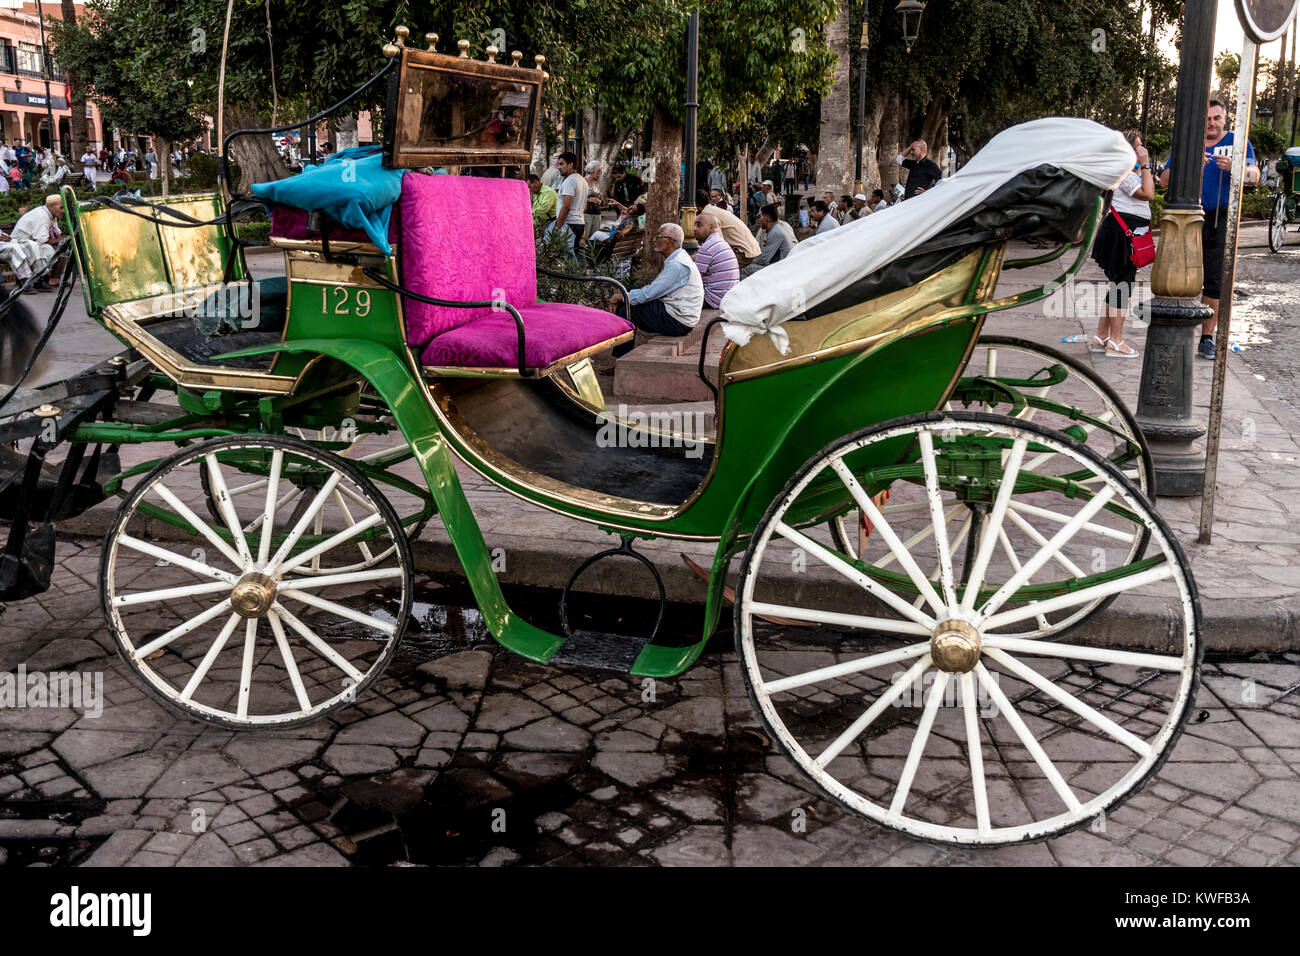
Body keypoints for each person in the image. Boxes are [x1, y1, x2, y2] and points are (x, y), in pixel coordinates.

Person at [1158, 99, 1259, 359]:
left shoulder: (1238, 142)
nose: (1212, 123)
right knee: (1179, 277)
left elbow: (1254, 177)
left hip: (1221, 218)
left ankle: (1206, 338)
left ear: (1225, 119)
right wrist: (1188, 166)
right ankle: (1175, 332)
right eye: (1207, 119)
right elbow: (1164, 181)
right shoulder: (1188, 142)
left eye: (1216, 118)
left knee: (1215, 280)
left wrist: (1236, 167)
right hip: (1187, 217)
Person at [1089, 131, 1155, 359]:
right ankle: (1116, 341)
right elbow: (1148, 194)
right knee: (1123, 287)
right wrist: (1145, 165)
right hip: (1121, 234)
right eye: (1137, 146)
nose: (1141, 150)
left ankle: (1101, 337)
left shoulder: (1126, 172)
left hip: (1122, 232)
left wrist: (1142, 168)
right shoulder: (1123, 172)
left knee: (1118, 285)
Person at [607, 223, 703, 354]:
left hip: (679, 322)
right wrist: (625, 296)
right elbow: (653, 290)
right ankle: (620, 342)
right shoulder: (678, 258)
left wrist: (619, 297)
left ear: (670, 241)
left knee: (627, 308)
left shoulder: (677, 265)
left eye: (658, 236)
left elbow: (649, 294)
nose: (654, 240)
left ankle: (621, 355)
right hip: (678, 314)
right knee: (629, 292)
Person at [694, 189, 761, 267]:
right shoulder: (712, 210)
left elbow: (717, 243)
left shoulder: (707, 214)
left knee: (712, 267)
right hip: (750, 249)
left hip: (743, 252)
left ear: (695, 205)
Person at [7, 194, 63, 284]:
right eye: (61, 208)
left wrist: (63, 241)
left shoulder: (51, 214)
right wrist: (61, 241)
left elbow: (58, 233)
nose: (63, 211)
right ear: (51, 207)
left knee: (61, 249)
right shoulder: (42, 216)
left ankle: (53, 279)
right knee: (49, 251)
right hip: (20, 244)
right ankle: (38, 279)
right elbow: (43, 240)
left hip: (32, 243)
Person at [691, 211, 740, 310]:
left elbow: (693, 279)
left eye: (699, 225)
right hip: (728, 297)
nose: (694, 228)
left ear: (711, 228)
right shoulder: (718, 242)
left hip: (714, 300)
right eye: (694, 224)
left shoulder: (706, 247)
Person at [740, 203, 797, 277]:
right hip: (779, 266)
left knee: (744, 269)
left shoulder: (776, 232)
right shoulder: (776, 229)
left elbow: (764, 259)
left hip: (780, 270)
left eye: (760, 216)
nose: (759, 219)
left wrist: (747, 262)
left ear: (767, 218)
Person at [553, 151, 589, 251]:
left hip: (569, 224)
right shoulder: (582, 180)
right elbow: (585, 207)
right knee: (573, 254)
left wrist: (557, 226)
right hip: (579, 223)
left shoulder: (569, 181)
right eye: (558, 164)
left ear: (571, 165)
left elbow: (566, 207)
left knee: (565, 255)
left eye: (561, 164)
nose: (559, 167)